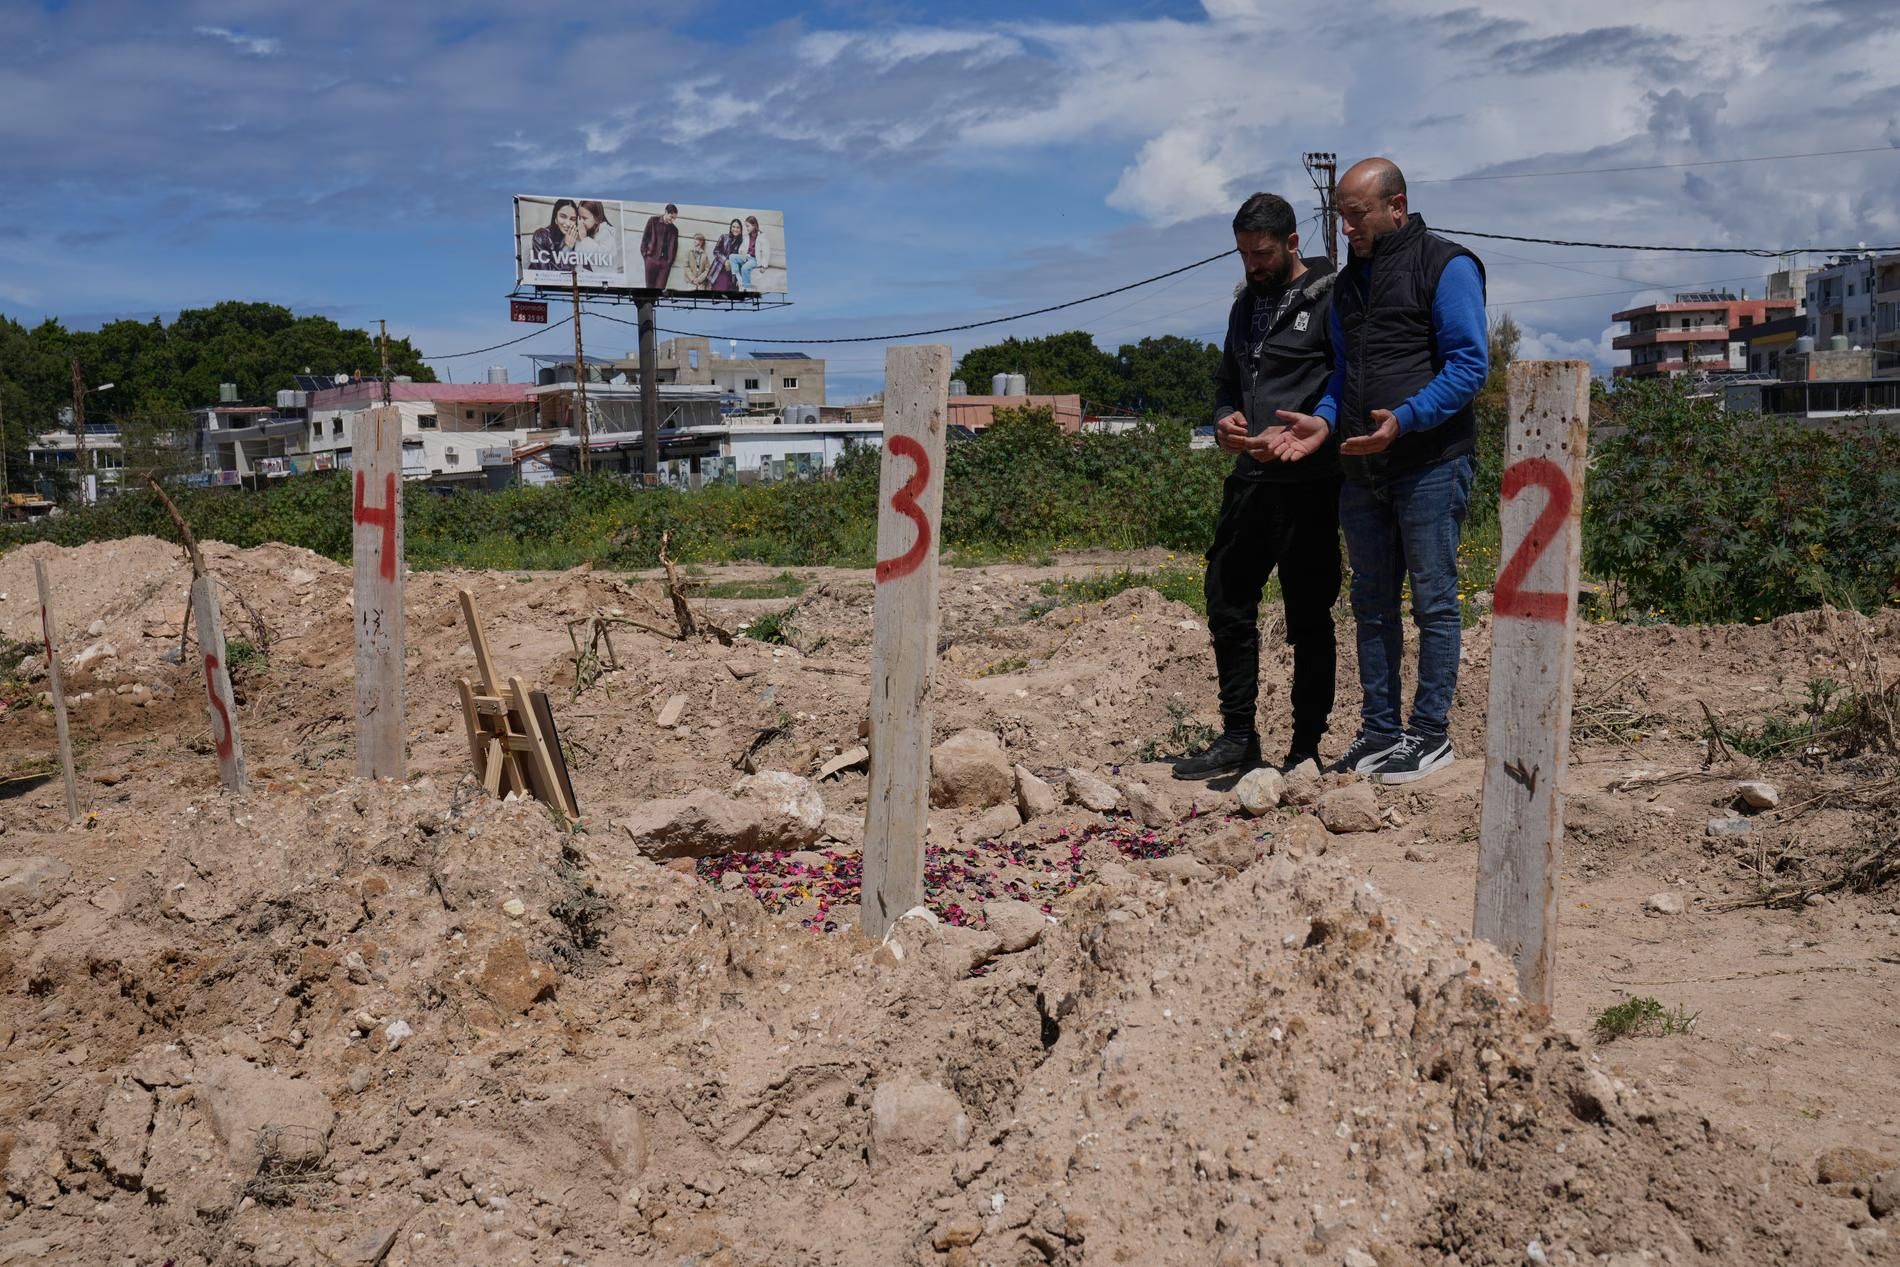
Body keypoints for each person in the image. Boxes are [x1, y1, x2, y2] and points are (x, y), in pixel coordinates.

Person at [1267, 157, 1488, 785]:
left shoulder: (1446, 267)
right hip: (1361, 469)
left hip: (1429, 463)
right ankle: (1381, 732)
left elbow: (1470, 364)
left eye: (1356, 215)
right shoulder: (1347, 282)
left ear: (1397, 206)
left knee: (1435, 602)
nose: (1346, 228)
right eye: (1340, 216)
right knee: (1370, 603)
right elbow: (1341, 373)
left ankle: (1430, 734)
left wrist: (1408, 418)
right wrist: (1327, 421)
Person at [1172, 192, 1341, 781]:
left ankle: (1304, 749)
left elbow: (1346, 380)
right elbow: (1225, 381)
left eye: (1262, 253)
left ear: (1292, 244)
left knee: (1309, 615)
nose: (1252, 265)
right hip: (1249, 481)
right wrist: (1224, 418)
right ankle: (1239, 736)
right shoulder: (1245, 306)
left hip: (1308, 484)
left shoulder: (1331, 299)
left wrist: (1319, 425)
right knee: (1227, 598)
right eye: (1243, 254)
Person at [527, 199, 580, 271]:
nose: (568, 223)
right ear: (555, 218)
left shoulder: (574, 237)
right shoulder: (541, 236)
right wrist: (567, 248)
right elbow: (545, 273)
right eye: (563, 216)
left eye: (572, 219)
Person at [640, 203, 680, 289]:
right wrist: (646, 256)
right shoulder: (653, 221)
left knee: (659, 289)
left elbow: (675, 248)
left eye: (674, 218)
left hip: (665, 264)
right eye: (671, 217)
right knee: (649, 288)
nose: (672, 220)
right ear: (665, 212)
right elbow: (645, 238)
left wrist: (669, 262)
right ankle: (648, 302)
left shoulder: (674, 230)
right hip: (651, 259)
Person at [732, 214, 773, 291]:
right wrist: (742, 254)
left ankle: (747, 287)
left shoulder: (762, 237)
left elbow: (766, 252)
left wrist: (764, 266)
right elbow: (742, 247)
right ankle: (737, 276)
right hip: (747, 257)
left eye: (748, 226)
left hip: (754, 260)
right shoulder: (747, 236)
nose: (746, 228)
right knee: (732, 257)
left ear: (754, 225)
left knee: (744, 268)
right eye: (745, 226)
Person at [576, 200, 618, 274]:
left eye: (584, 218)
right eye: (579, 218)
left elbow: (600, 259)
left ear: (597, 220)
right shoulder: (584, 232)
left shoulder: (607, 235)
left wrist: (584, 239)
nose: (580, 222)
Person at [709, 218, 744, 292]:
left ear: (740, 230)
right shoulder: (724, 237)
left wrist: (740, 278)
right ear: (731, 228)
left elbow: (741, 262)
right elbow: (716, 251)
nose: (735, 229)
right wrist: (725, 261)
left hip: (732, 272)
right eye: (733, 227)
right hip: (720, 269)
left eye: (738, 227)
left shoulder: (742, 243)